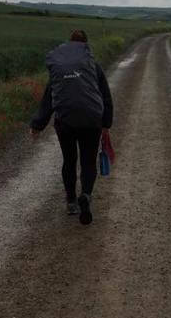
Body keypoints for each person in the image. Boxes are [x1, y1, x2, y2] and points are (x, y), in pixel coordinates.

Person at [30, 29, 113, 225]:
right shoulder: (93, 65)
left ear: (69, 44)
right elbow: (105, 96)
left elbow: (49, 98)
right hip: (91, 121)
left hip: (65, 121)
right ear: (86, 45)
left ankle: (71, 202)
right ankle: (85, 195)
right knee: (88, 161)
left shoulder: (60, 69)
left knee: (69, 160)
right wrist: (106, 124)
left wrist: (38, 124)